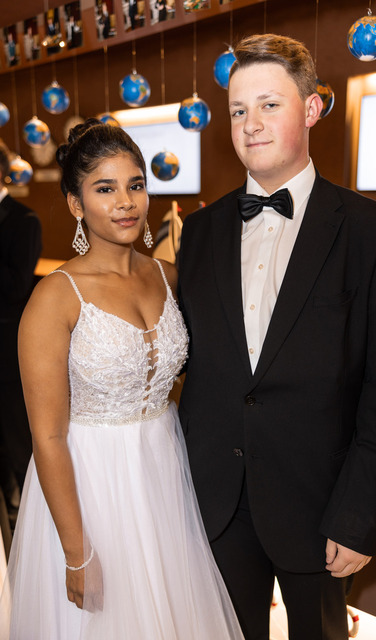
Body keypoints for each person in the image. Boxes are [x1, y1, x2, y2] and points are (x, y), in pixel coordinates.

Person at [178, 34, 376, 640]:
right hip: (216, 506)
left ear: (311, 109)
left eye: (269, 105)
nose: (251, 124)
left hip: (321, 508)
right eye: (238, 110)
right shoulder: (198, 233)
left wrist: (358, 516)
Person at [0, 120, 243, 640]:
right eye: (105, 189)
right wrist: (76, 552)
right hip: (92, 485)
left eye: (135, 185)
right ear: (76, 203)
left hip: (166, 474)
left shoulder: (168, 277)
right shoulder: (55, 298)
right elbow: (47, 436)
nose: (126, 202)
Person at [0, 141, 42, 518]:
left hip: (7, 352)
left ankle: (30, 512)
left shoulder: (24, 220)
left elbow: (17, 288)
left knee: (18, 439)